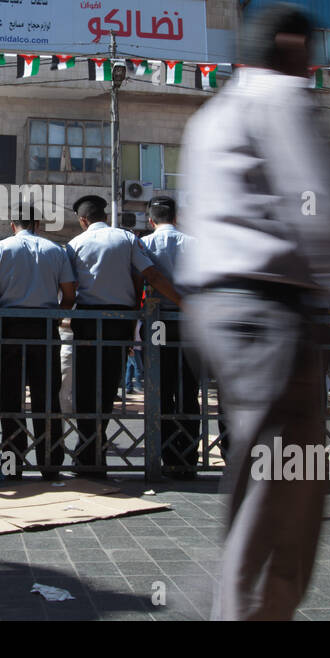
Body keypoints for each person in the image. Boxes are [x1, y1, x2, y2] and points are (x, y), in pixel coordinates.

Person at [181, 3, 330, 620]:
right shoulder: (282, 95)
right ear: (291, 44)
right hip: (268, 307)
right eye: (314, 51)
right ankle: (244, 608)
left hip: (220, 306)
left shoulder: (213, 113)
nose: (318, 65)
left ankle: (237, 599)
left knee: (276, 474)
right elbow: (316, 205)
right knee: (286, 480)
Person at [68, 195, 181, 476]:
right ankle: (98, 449)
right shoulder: (127, 239)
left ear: (83, 220)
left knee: (85, 387)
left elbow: (67, 288)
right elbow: (148, 275)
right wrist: (181, 302)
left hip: (87, 320)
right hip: (119, 319)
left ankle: (88, 453)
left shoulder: (74, 245)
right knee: (108, 385)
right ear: (105, 215)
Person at [0, 207, 75, 477]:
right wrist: (56, 319)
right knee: (47, 397)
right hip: (45, 328)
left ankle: (13, 465)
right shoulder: (56, 250)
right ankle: (51, 464)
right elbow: (69, 294)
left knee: (9, 398)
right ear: (37, 223)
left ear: (13, 224)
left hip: (9, 327)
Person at [140, 195, 203, 477]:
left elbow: (140, 282)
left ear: (150, 221)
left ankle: (163, 454)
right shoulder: (195, 244)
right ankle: (187, 457)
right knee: (189, 390)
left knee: (160, 390)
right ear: (177, 218)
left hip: (157, 323)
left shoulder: (143, 244)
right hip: (190, 324)